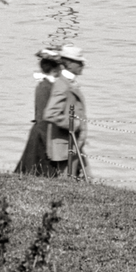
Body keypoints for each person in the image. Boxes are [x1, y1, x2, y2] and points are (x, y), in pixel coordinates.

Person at [43, 44, 89, 178]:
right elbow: (50, 113)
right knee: (66, 182)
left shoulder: (69, 82)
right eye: (79, 61)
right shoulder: (62, 84)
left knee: (82, 179)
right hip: (64, 147)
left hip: (72, 144)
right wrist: (74, 124)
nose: (83, 64)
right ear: (69, 63)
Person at [14, 47, 62, 176]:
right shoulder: (45, 87)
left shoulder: (48, 85)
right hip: (43, 131)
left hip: (44, 130)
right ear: (55, 69)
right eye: (59, 66)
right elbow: (42, 114)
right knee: (38, 165)